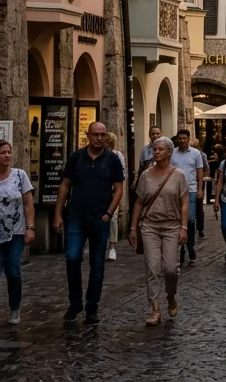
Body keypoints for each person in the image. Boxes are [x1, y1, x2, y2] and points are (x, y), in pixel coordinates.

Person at [53, 121, 125, 325]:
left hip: (100, 218)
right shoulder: (77, 157)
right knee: (73, 258)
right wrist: (58, 214)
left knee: (98, 264)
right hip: (76, 217)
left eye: (103, 135)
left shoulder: (112, 159)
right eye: (96, 134)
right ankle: (75, 302)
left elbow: (119, 189)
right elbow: (65, 185)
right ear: (88, 135)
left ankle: (92, 306)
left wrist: (109, 214)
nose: (99, 138)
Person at [128, 136, 188, 325]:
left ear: (170, 152)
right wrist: (133, 227)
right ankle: (155, 309)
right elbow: (138, 202)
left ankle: (171, 295)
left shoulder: (178, 175)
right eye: (154, 149)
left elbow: (184, 203)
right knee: (152, 268)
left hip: (172, 225)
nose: (156, 152)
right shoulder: (146, 175)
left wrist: (184, 227)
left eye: (161, 149)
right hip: (150, 226)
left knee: (171, 269)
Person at [0, 139, 35, 330]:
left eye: (9, 152)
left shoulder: (19, 175)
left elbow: (28, 203)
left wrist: (30, 227)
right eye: (3, 152)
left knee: (13, 272)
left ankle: (15, 308)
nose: (7, 155)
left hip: (15, 231)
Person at [172, 129, 205, 267]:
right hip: (174, 190)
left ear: (189, 139)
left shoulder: (196, 153)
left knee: (190, 219)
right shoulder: (172, 153)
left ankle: (190, 246)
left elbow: (199, 172)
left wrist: (200, 189)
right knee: (177, 219)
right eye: (180, 138)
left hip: (190, 189)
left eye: (184, 138)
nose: (182, 140)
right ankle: (180, 251)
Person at [104, 133, 126, 260]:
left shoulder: (117, 156)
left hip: (113, 192)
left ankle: (112, 247)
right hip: (99, 193)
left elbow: (122, 174)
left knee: (112, 219)